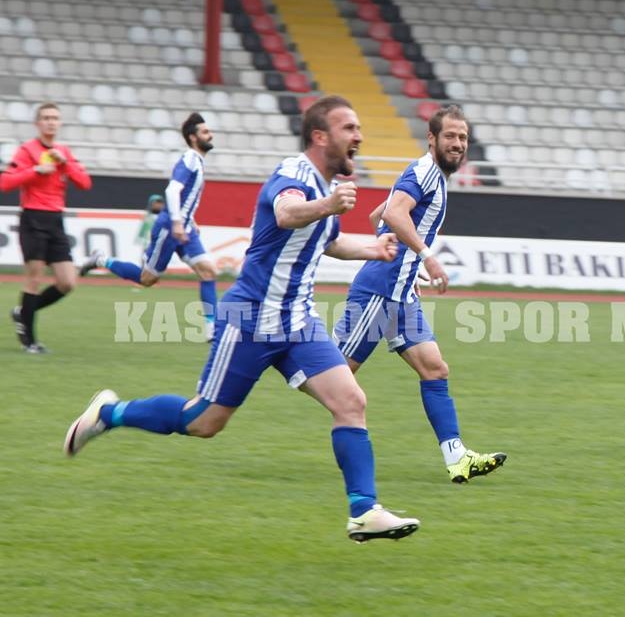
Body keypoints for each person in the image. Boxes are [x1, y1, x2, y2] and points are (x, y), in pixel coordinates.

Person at [63, 96, 420, 542]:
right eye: (349, 127)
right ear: (320, 136)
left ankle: (363, 511)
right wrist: (329, 204)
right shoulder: (293, 174)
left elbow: (326, 241)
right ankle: (109, 413)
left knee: (351, 402)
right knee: (205, 422)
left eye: (358, 127)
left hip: (298, 323)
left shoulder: (324, 186)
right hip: (251, 318)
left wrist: (372, 248)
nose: (359, 136)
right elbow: (288, 213)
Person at [333, 104, 507, 483]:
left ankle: (456, 457)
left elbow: (377, 215)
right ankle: (275, 354)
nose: (458, 143)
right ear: (432, 138)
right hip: (378, 292)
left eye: (462, 137)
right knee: (334, 375)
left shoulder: (431, 176)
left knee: (435, 369)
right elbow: (394, 214)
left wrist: (406, 268)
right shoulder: (425, 171)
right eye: (450, 136)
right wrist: (426, 258)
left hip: (400, 293)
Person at [80, 113, 219, 340]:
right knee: (147, 279)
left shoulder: (198, 161)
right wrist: (176, 222)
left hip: (184, 227)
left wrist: (189, 219)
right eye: (205, 132)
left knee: (208, 271)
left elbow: (184, 196)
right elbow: (172, 190)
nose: (210, 135)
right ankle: (101, 259)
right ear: (193, 138)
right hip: (169, 228)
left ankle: (211, 327)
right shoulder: (190, 159)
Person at [1, 102, 92, 353]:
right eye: (46, 118)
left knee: (68, 281)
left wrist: (65, 164)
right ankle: (30, 342)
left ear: (59, 123)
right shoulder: (26, 151)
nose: (51, 122)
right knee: (34, 278)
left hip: (55, 220)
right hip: (33, 218)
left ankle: (23, 312)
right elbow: (5, 182)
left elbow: (85, 183)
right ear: (37, 123)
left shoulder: (64, 151)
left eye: (55, 118)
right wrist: (35, 170)